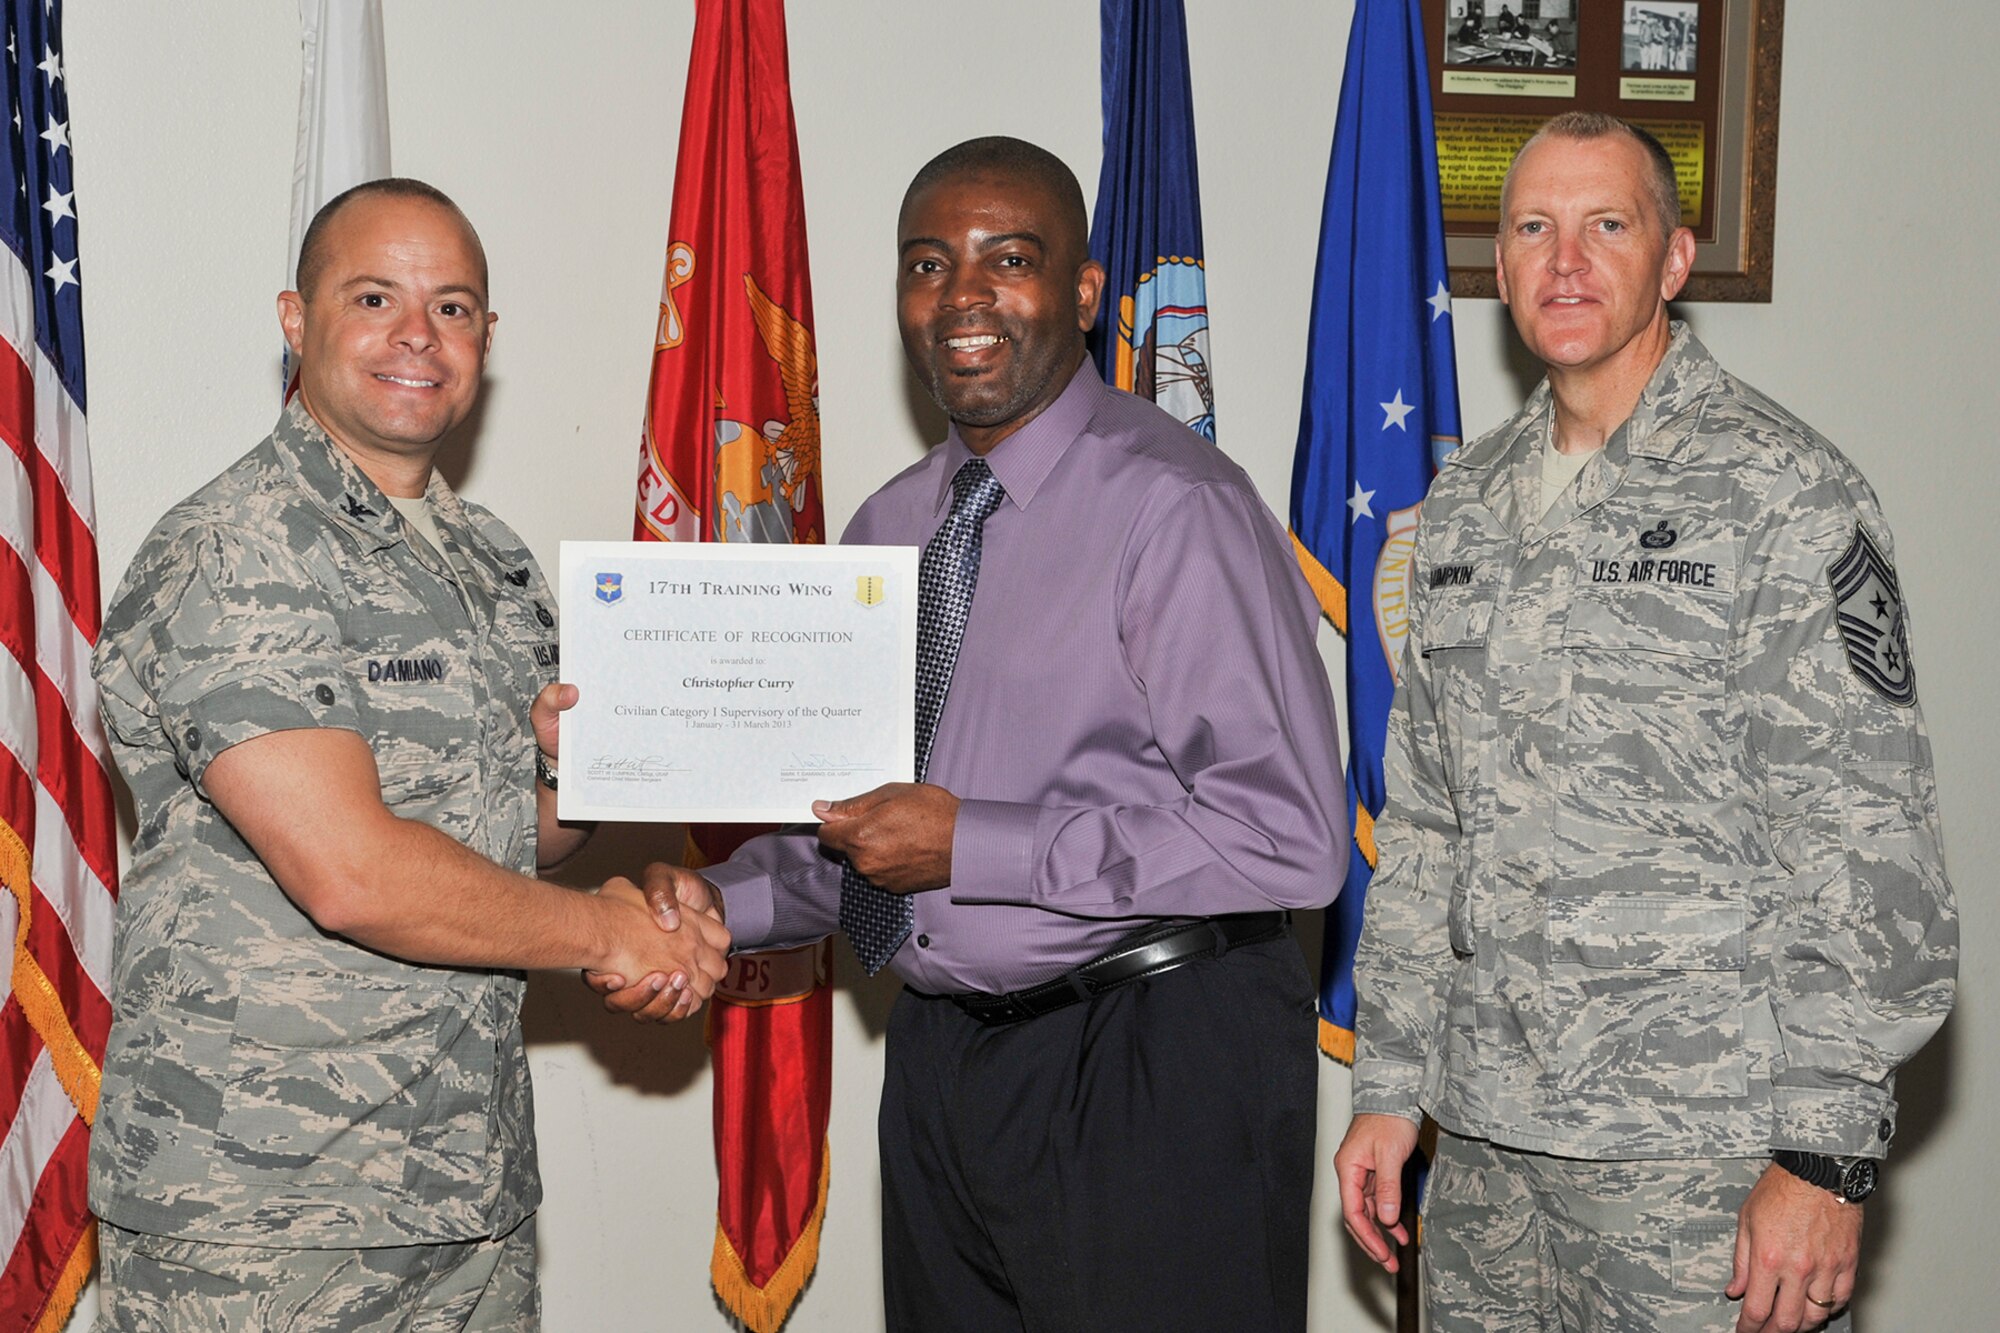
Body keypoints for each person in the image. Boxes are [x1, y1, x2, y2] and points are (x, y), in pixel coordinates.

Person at [601, 136, 1347, 1331]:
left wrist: (977, 847)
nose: (963, 297)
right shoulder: (886, 527)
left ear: (1085, 293)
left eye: (1009, 259)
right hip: (944, 1064)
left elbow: (1290, 838)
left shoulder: (1179, 508)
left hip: (1154, 1059)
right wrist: (711, 907)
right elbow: (861, 833)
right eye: (928, 264)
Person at [1333, 112, 1958, 1333]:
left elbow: (1860, 840)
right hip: (1485, 1154)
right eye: (1532, 229)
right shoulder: (1459, 511)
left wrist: (1822, 1156)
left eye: (1604, 226)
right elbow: (1425, 829)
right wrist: (1392, 1084)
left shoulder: (1784, 494)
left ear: (1672, 263)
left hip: (1703, 1162)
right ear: (1498, 267)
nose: (1564, 262)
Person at [88, 178, 730, 1330]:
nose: (415, 339)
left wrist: (583, 793)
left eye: (453, 307)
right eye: (375, 297)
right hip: (261, 1215)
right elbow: (354, 873)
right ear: (297, 319)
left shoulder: (490, 559)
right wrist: (613, 932)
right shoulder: (238, 547)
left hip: (460, 1189)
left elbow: (505, 840)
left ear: (487, 335)